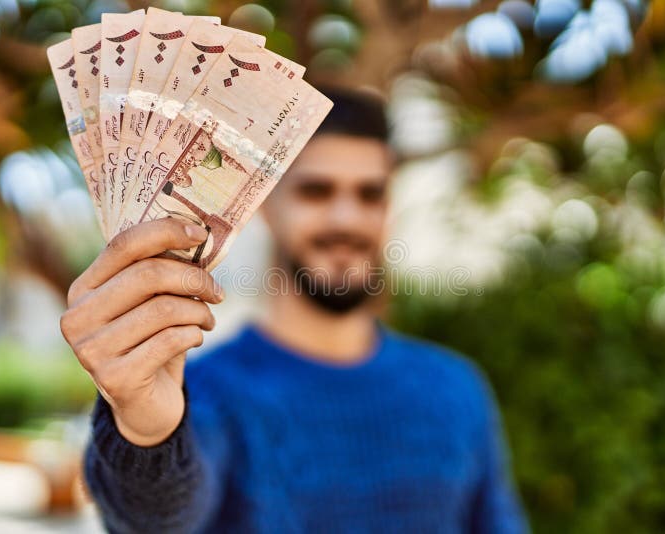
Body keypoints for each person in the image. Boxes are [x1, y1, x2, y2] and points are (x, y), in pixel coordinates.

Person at [60, 87, 530, 533]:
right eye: (317, 191)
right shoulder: (206, 393)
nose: (347, 219)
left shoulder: (456, 388)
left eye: (370, 194)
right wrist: (147, 433)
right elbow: (157, 523)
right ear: (265, 206)